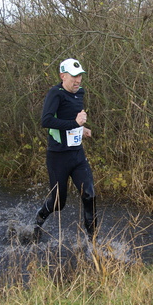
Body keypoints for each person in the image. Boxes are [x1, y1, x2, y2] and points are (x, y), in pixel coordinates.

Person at [33, 58, 98, 243]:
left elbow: (71, 118)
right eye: (74, 77)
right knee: (58, 203)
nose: (78, 80)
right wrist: (74, 124)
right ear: (63, 76)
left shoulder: (80, 93)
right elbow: (46, 121)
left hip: (77, 155)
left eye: (80, 77)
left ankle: (93, 243)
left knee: (89, 195)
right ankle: (38, 221)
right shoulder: (56, 94)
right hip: (58, 157)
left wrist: (81, 129)